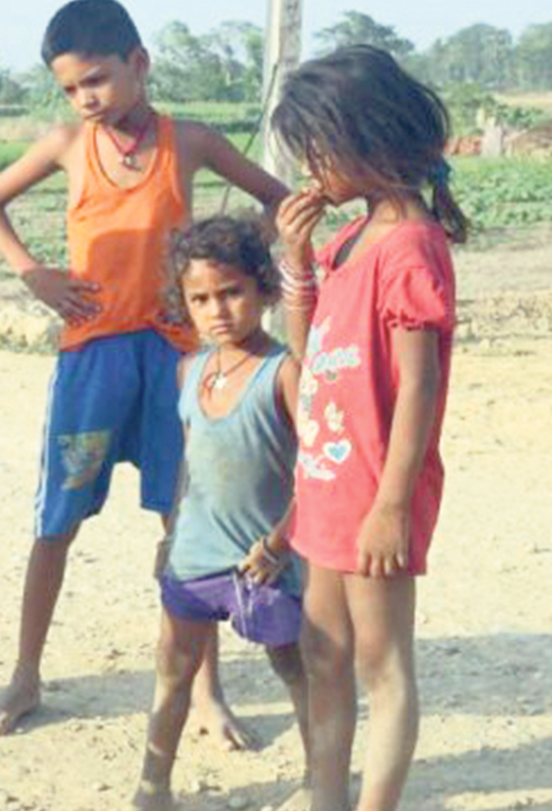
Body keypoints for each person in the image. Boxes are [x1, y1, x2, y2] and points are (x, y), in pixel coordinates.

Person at [0, 0, 288, 740]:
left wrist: (229, 254)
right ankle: (25, 674)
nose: (86, 98)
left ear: (139, 65)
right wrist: (32, 274)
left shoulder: (193, 141)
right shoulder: (66, 145)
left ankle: (205, 691)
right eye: (72, 88)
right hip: (93, 354)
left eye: (98, 80)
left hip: (179, 360)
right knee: (57, 520)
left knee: (191, 526)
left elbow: (276, 199)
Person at [273, 45, 463, 811]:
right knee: (324, 652)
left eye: (318, 146)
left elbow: (420, 385)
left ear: (367, 136)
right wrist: (294, 259)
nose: (310, 165)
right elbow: (308, 351)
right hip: (326, 482)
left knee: (384, 669)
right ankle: (325, 796)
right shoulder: (347, 241)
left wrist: (392, 503)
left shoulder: (412, 247)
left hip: (376, 489)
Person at [132, 217, 310, 811]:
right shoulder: (190, 370)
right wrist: (171, 535)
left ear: (262, 288)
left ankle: (319, 775)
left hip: (266, 559)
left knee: (294, 665)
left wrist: (282, 541)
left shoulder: (282, 373)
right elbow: (190, 464)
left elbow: (316, 471)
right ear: (182, 303)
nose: (218, 310)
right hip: (195, 555)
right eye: (200, 298)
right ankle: (153, 786)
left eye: (232, 292)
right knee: (173, 670)